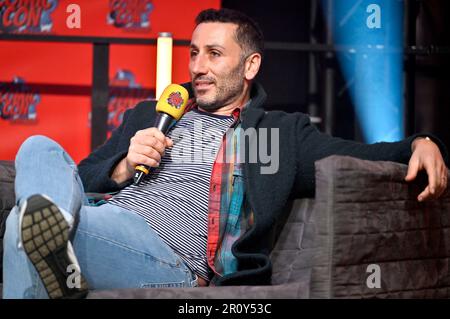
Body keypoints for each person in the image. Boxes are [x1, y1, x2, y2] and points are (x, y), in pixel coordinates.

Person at [2, 8, 448, 299]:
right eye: (194, 53)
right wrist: (121, 166)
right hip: (103, 219)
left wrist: (422, 142)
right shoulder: (149, 114)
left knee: (20, 229)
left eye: (214, 54)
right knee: (38, 147)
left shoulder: (278, 132)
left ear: (249, 66)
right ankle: (51, 235)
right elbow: (79, 176)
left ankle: (49, 236)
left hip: (168, 258)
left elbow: (363, 153)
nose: (197, 66)